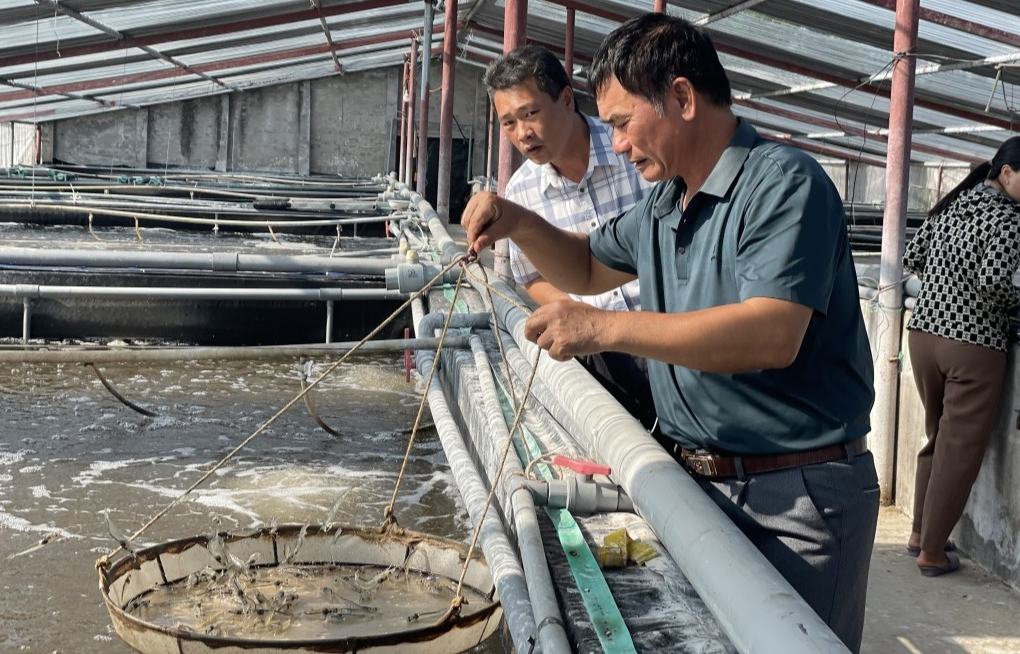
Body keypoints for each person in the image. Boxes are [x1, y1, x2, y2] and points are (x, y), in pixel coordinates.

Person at [462, 13, 879, 652]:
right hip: (701, 482)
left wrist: (604, 327)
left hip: (794, 495)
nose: (621, 146)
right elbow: (585, 264)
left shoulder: (783, 184)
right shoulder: (666, 202)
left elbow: (772, 333)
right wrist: (516, 218)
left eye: (625, 125)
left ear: (683, 98)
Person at [484, 45, 657, 429]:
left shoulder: (633, 152)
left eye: (531, 113)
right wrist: (582, 316)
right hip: (599, 353)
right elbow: (531, 276)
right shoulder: (521, 191)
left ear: (565, 99)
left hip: (665, 330)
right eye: (508, 122)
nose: (522, 134)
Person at [902, 136, 1020, 578]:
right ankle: (932, 553)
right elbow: (994, 283)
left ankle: (918, 533)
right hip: (972, 344)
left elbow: (913, 256)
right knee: (959, 453)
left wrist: (947, 285)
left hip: (923, 335)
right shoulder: (1009, 218)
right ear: (1006, 173)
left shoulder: (954, 203)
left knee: (938, 440)